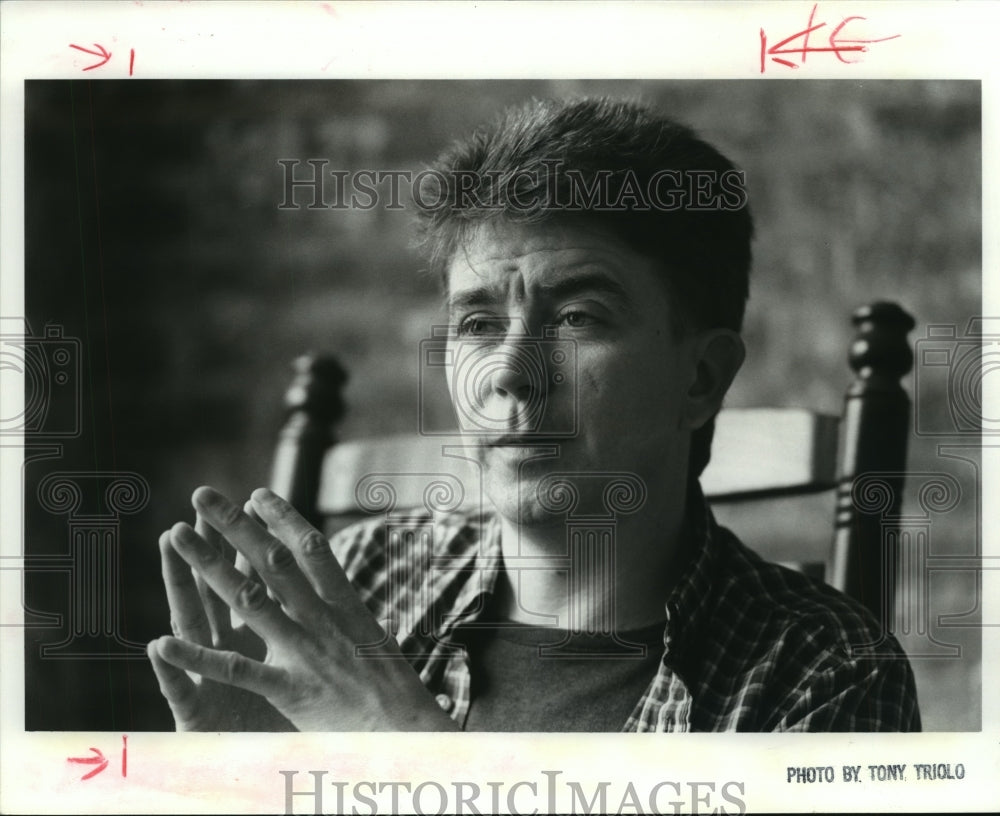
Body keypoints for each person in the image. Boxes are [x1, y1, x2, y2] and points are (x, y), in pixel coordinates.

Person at [147, 97, 921, 732]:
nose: (510, 375)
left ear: (702, 377)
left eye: (579, 317)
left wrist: (405, 750)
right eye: (478, 324)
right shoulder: (363, 581)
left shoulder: (827, 675)